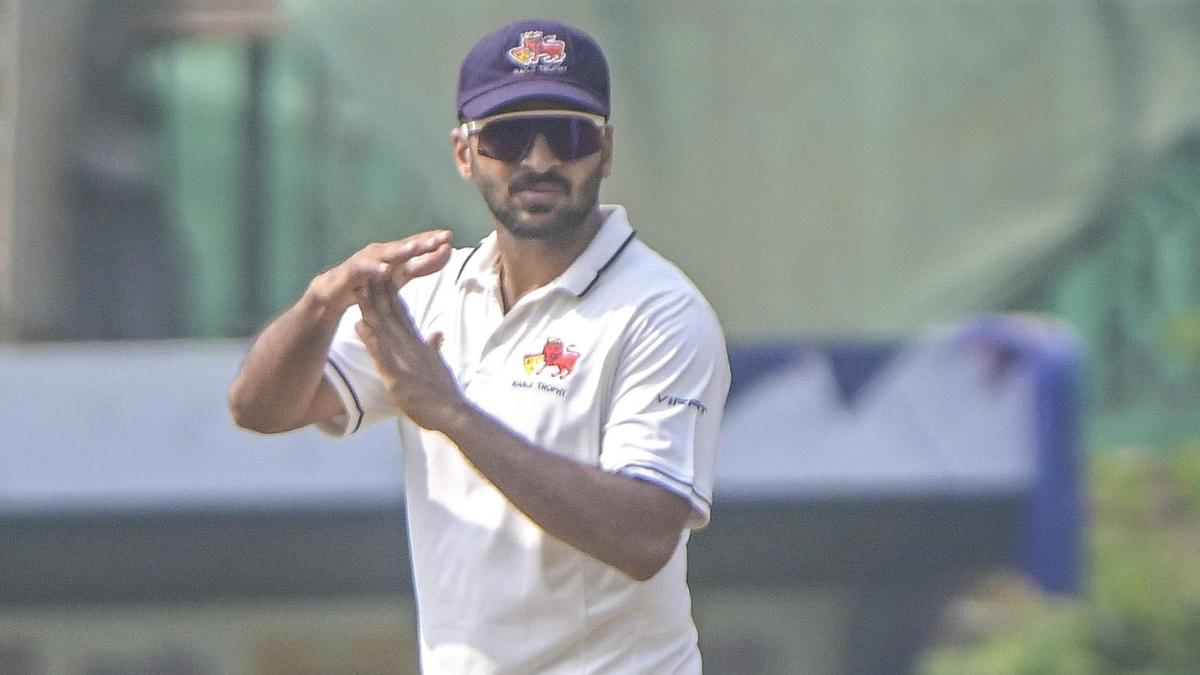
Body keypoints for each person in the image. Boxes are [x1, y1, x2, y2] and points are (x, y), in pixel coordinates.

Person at [229, 18, 729, 674]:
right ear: (465, 153)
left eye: (569, 134)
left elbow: (643, 536)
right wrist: (320, 303)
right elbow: (260, 408)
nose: (540, 161)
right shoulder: (433, 294)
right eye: (508, 137)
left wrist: (453, 413)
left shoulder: (661, 311)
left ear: (605, 151)